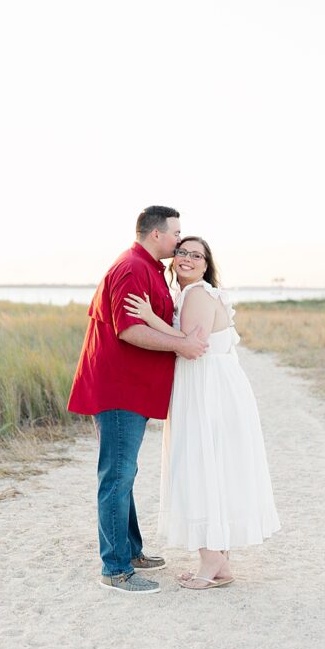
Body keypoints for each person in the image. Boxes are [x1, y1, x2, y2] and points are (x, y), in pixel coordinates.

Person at [124, 236, 280, 590]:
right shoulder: (195, 293)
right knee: (213, 467)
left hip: (207, 389)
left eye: (197, 255)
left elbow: (190, 344)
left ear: (207, 264)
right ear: (173, 258)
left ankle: (211, 560)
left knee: (200, 466)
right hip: (213, 387)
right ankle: (219, 562)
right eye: (182, 252)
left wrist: (148, 318)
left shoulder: (196, 294)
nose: (188, 259)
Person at [68, 206, 209, 594]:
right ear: (155, 234)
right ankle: (115, 569)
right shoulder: (132, 267)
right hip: (118, 388)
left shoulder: (149, 268)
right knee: (116, 475)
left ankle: (130, 551)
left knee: (124, 473)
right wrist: (183, 345)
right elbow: (129, 330)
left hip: (131, 387)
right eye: (175, 233)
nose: (180, 240)